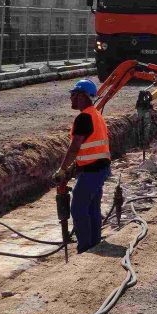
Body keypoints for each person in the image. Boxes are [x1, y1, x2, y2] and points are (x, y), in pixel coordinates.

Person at [53, 79, 112, 253]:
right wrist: (75, 168)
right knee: (92, 207)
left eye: (73, 95)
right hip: (99, 169)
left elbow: (75, 147)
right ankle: (94, 242)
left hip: (92, 171)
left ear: (81, 96)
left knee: (78, 208)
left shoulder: (84, 117)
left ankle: (85, 246)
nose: (71, 99)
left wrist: (62, 169)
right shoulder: (95, 114)